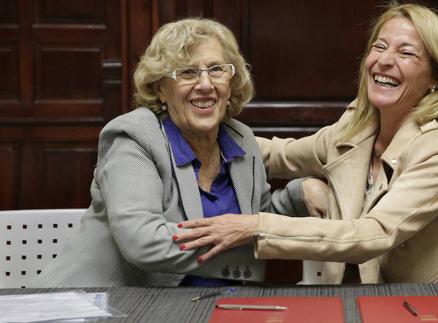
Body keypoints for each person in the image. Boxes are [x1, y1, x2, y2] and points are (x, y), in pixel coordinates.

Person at [174, 2, 438, 284]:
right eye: (379, 47)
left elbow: (376, 233)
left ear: (436, 78)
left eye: (406, 52)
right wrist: (196, 128)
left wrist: (255, 226)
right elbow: (279, 155)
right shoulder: (355, 129)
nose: (384, 60)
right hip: (366, 302)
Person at [34, 17, 307, 287]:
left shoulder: (241, 139)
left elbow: (252, 217)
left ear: (231, 82)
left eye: (216, 70)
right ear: (161, 90)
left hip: (209, 307)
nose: (205, 84)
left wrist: (299, 196)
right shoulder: (134, 138)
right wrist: (252, 246)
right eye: (187, 72)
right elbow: (144, 241)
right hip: (101, 306)